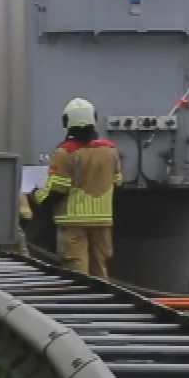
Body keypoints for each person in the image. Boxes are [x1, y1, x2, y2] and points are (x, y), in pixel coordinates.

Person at [31, 97, 122, 276]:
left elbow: (58, 189)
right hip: (102, 221)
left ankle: (81, 304)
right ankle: (102, 303)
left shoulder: (65, 153)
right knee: (100, 270)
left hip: (72, 222)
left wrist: (37, 197)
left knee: (78, 273)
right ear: (94, 119)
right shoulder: (111, 150)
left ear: (66, 121)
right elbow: (118, 183)